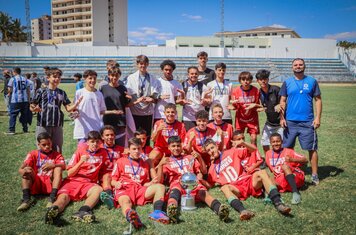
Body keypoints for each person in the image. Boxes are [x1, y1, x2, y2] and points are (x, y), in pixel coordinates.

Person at [203, 138, 292, 216]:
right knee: (224, 188)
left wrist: (243, 143)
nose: (211, 151)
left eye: (212, 147)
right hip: (236, 188)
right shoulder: (212, 169)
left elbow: (253, 150)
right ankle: (243, 211)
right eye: (208, 150)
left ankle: (278, 203)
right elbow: (209, 185)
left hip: (247, 180)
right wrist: (199, 180)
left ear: (217, 146)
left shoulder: (231, 151)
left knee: (262, 172)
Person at [157, 136, 229, 223]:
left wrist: (199, 157)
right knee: (175, 192)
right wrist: (160, 165)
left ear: (181, 145)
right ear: (168, 147)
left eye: (178, 146)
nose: (176, 148)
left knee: (203, 193)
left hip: (192, 183)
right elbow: (160, 181)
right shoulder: (167, 161)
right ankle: (172, 208)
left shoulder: (189, 157)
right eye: (173, 146)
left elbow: (204, 171)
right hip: (177, 183)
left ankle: (219, 208)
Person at [45, 131, 111, 224]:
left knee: (98, 190)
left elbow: (105, 170)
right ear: (87, 142)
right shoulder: (80, 151)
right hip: (72, 181)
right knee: (63, 198)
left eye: (97, 141)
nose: (95, 144)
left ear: (100, 142)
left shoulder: (103, 153)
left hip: (88, 183)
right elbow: (69, 173)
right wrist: (81, 162)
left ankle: (83, 211)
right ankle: (53, 211)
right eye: (92, 141)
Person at [279, 58, 322, 185]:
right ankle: (288, 172)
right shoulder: (287, 82)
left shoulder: (312, 81)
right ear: (292, 67)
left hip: (307, 122)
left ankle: (314, 174)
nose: (298, 66)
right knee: (287, 149)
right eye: (295, 65)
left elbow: (318, 100)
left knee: (312, 148)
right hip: (290, 122)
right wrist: (282, 118)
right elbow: (282, 101)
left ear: (304, 66)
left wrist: (318, 117)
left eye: (300, 64)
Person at [111, 137, 170, 229]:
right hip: (125, 188)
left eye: (139, 149)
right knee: (126, 201)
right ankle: (130, 215)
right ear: (129, 150)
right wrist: (116, 184)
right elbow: (112, 180)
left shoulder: (144, 164)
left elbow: (144, 184)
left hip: (139, 190)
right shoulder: (121, 161)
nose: (136, 151)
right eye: (134, 149)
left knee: (160, 187)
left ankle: (157, 212)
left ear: (142, 149)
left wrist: (150, 183)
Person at [30, 67, 81, 153]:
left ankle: (57, 166)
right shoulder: (41, 91)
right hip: (43, 124)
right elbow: (32, 106)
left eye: (59, 77)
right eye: (54, 76)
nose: (57, 79)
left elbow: (68, 108)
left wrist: (75, 105)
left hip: (57, 125)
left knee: (57, 149)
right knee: (42, 149)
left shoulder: (62, 92)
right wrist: (34, 109)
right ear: (48, 78)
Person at [17, 132, 65, 211]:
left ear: (51, 142)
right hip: (36, 181)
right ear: (38, 144)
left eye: (49, 144)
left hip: (50, 182)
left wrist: (54, 165)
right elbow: (23, 166)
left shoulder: (57, 155)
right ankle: (26, 200)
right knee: (27, 170)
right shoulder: (33, 154)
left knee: (58, 168)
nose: (47, 146)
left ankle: (52, 198)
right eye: (44, 145)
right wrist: (21, 170)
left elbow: (64, 166)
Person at [125, 55, 161, 146]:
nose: (143, 66)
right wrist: (136, 99)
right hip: (135, 111)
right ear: (137, 64)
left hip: (147, 111)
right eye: (141, 64)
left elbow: (156, 92)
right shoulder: (131, 78)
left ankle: (146, 154)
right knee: (135, 134)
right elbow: (128, 92)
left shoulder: (153, 78)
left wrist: (151, 99)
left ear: (147, 64)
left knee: (146, 135)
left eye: (145, 64)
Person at [265, 133, 308, 204]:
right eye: (273, 142)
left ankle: (296, 193)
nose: (276, 144)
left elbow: (305, 160)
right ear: (270, 143)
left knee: (284, 166)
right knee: (268, 178)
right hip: (282, 179)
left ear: (281, 141)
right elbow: (273, 171)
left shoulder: (288, 151)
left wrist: (292, 160)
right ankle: (271, 196)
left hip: (295, 176)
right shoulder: (268, 154)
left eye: (278, 141)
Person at [73, 70, 107, 143]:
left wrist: (113, 112)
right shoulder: (79, 92)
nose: (93, 80)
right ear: (85, 79)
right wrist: (75, 113)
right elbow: (75, 108)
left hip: (95, 128)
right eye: (90, 78)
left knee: (95, 152)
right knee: (83, 152)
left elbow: (102, 111)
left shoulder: (99, 94)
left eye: (94, 78)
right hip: (82, 130)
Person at [100, 67, 131, 146]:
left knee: (120, 146)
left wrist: (129, 99)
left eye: (116, 76)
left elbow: (126, 104)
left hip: (120, 121)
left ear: (119, 76)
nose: (114, 78)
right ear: (109, 76)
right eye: (112, 75)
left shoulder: (123, 88)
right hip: (107, 120)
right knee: (107, 145)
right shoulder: (103, 88)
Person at [255, 69, 283, 153]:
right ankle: (268, 159)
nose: (263, 81)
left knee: (281, 143)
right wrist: (262, 108)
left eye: (265, 79)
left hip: (280, 123)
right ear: (257, 81)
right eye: (261, 79)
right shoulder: (259, 92)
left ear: (268, 79)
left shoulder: (276, 89)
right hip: (269, 123)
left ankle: (281, 159)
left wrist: (280, 104)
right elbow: (264, 106)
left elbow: (286, 101)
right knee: (264, 142)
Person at [230, 71, 260, 145]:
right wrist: (233, 104)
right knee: (238, 138)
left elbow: (258, 105)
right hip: (240, 119)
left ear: (251, 80)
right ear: (240, 81)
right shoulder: (236, 91)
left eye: (248, 79)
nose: (246, 82)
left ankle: (253, 155)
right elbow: (234, 105)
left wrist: (256, 106)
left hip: (252, 119)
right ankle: (240, 154)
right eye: (243, 80)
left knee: (253, 138)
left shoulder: (256, 90)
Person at [98, 125, 125, 209]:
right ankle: (109, 197)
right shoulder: (99, 149)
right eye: (107, 135)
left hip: (117, 175)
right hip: (104, 176)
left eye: (112, 135)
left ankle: (112, 197)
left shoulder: (121, 149)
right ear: (102, 137)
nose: (110, 137)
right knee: (107, 176)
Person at [181, 66, 211, 131]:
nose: (194, 75)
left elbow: (209, 100)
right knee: (189, 137)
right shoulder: (183, 85)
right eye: (192, 74)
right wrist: (182, 101)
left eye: (196, 74)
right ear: (188, 75)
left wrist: (205, 101)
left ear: (198, 74)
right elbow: (179, 100)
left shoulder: (203, 86)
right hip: (188, 118)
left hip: (201, 117)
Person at [6, 67, 31, 135]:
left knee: (13, 115)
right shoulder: (25, 79)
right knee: (24, 115)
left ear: (14, 72)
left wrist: (9, 92)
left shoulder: (12, 79)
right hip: (24, 100)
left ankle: (12, 130)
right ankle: (25, 129)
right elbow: (28, 90)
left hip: (15, 100)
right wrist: (29, 99)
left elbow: (9, 89)